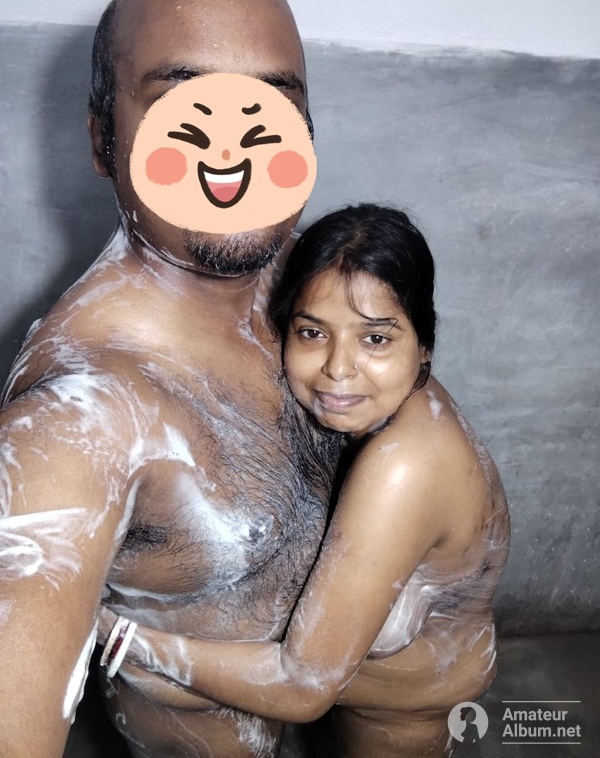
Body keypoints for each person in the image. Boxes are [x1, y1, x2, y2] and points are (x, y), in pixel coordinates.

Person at [0, 0, 341, 757]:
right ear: (104, 140)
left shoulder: (318, 287)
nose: (230, 144)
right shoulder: (75, 424)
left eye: (272, 102)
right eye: (180, 102)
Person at [98, 204, 511, 758]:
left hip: (406, 699)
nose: (338, 368)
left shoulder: (407, 467)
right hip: (354, 668)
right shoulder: (378, 402)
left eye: (376, 339)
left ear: (424, 346)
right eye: (313, 332)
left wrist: (122, 638)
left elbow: (302, 688)